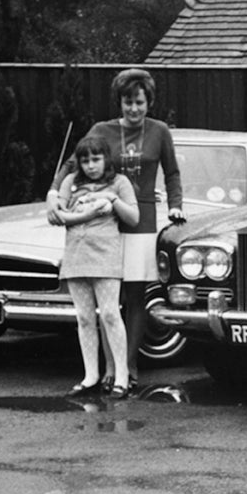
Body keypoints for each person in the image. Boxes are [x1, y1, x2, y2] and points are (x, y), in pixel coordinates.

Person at [46, 68, 185, 392]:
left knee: (135, 297)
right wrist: (54, 193)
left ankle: (129, 365)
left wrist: (176, 204)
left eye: (139, 102)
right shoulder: (101, 130)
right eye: (127, 102)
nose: (134, 109)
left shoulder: (160, 131)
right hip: (104, 225)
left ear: (149, 101)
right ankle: (108, 368)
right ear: (119, 102)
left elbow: (173, 172)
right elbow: (71, 164)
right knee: (109, 300)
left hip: (141, 220)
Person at [54, 136, 139, 399]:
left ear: (106, 159)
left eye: (96, 159)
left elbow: (134, 218)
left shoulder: (119, 182)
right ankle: (90, 375)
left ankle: (121, 376)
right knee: (84, 317)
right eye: (85, 160)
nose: (91, 166)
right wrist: (88, 214)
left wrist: (111, 199)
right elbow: (59, 215)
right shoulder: (71, 182)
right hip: (76, 253)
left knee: (111, 314)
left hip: (105, 255)